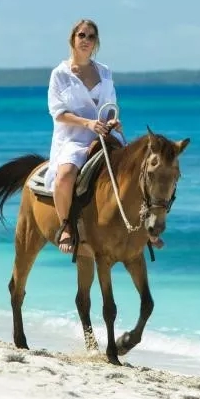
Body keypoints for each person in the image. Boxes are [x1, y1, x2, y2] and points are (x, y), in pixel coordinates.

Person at [45, 19, 123, 253]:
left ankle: (144, 229)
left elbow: (110, 105)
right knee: (66, 174)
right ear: (72, 39)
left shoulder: (105, 72)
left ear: (96, 42)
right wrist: (88, 123)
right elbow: (58, 112)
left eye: (91, 37)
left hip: (104, 135)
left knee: (138, 169)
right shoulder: (60, 74)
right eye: (82, 35)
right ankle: (66, 225)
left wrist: (112, 121)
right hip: (73, 137)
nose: (86, 40)